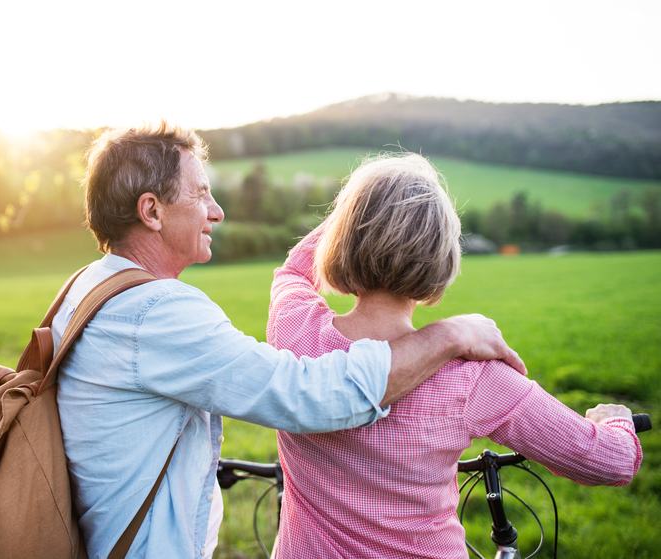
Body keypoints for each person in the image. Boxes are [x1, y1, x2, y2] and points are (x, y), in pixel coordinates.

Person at [52, 123, 525, 559]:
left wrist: (367, 210)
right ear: (152, 211)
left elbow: (294, 277)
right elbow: (311, 396)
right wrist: (449, 334)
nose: (216, 211)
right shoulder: (155, 314)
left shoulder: (89, 287)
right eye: (201, 194)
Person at [267, 153, 643, 558]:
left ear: (340, 239)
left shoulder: (295, 332)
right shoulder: (473, 379)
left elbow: (292, 271)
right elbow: (612, 462)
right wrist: (616, 421)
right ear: (441, 261)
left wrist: (362, 212)